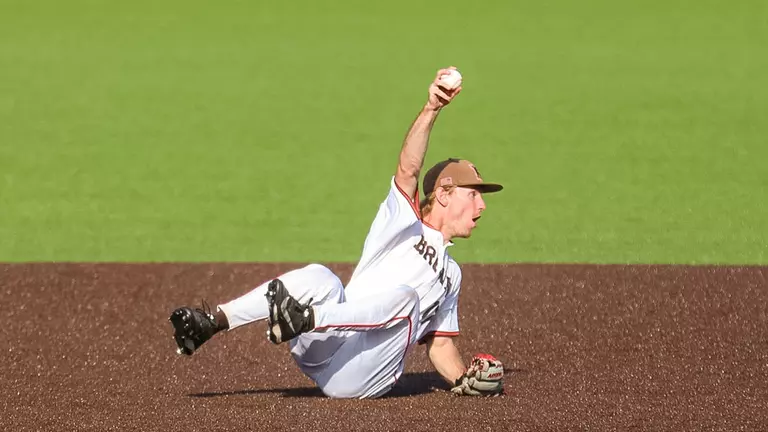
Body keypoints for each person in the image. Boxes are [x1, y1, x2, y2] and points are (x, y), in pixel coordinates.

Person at [169, 66, 505, 399]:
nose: (482, 206)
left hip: (359, 374)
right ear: (444, 194)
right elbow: (408, 169)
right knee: (321, 277)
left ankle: (304, 318)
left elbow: (440, 345)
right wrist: (432, 108)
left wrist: (464, 380)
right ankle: (214, 321)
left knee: (406, 300)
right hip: (321, 345)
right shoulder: (403, 222)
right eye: (473, 194)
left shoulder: (452, 275)